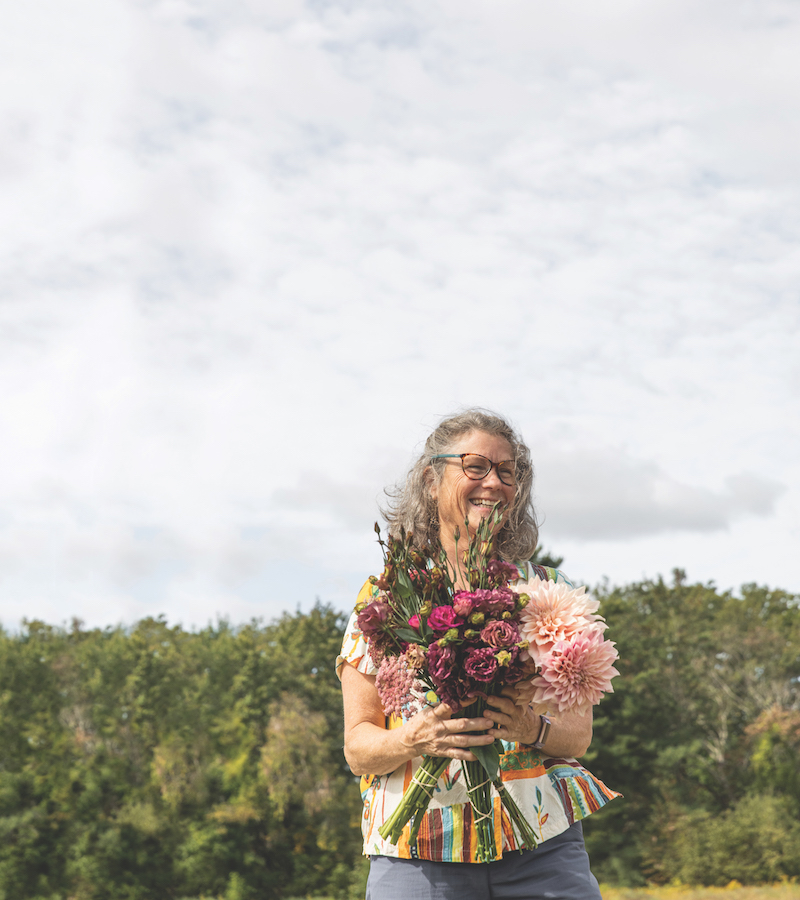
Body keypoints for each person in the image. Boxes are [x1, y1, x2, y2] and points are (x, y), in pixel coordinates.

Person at [337, 409, 619, 900]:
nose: (495, 483)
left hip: (542, 847)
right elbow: (358, 748)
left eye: (508, 472)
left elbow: (577, 737)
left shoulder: (550, 592)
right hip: (417, 851)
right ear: (431, 480)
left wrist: (528, 727)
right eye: (476, 466)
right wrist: (413, 738)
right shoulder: (383, 598)